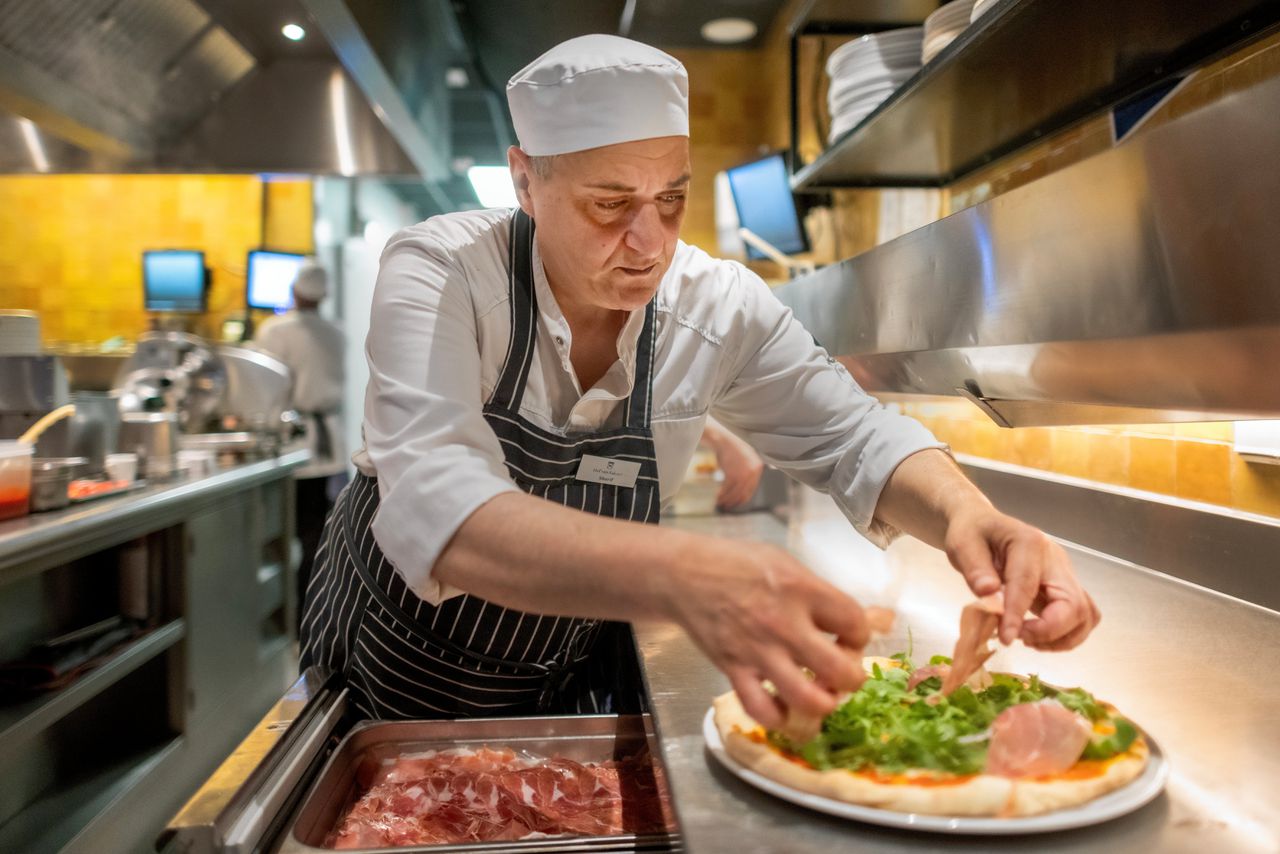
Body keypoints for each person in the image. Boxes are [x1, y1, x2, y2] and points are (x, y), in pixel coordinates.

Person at [301, 35, 1099, 725]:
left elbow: (855, 436)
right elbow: (442, 504)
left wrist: (973, 515)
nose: (648, 242)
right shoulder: (441, 273)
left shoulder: (712, 304)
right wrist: (688, 577)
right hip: (392, 681)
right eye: (610, 204)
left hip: (559, 681)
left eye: (672, 199)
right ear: (525, 181)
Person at [254, 260, 346, 620]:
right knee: (317, 535)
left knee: (285, 535)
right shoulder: (337, 333)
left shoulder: (275, 331)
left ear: (294, 291)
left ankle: (285, 618)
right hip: (328, 444)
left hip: (293, 445)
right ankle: (312, 614)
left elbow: (264, 389)